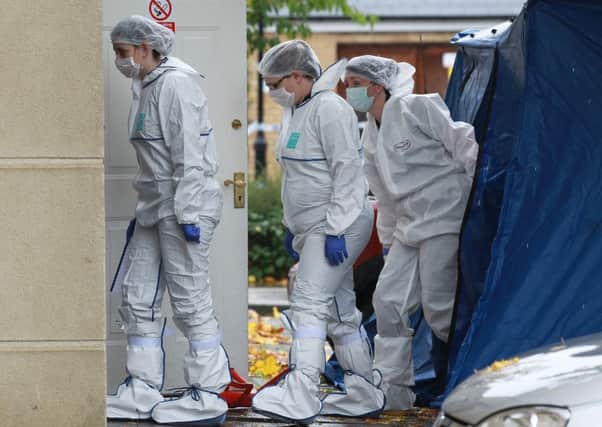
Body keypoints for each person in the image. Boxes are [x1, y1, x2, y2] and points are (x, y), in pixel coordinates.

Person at [251, 41, 385, 423]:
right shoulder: (297, 110)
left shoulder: (330, 109)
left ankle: (302, 392)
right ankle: (363, 389)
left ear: (297, 76)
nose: (270, 91)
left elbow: (347, 171)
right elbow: (300, 175)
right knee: (340, 313)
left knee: (309, 303)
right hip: (313, 226)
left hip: (336, 223)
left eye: (274, 82)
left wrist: (335, 228)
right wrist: (292, 227)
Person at [106, 15, 230, 425]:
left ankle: (208, 393)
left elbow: (189, 156)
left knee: (191, 300)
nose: (119, 60)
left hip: (183, 206)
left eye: (123, 52)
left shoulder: (175, 84)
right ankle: (142, 389)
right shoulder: (145, 84)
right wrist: (145, 211)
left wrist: (189, 212)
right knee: (137, 295)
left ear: (144, 47)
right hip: (156, 207)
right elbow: (154, 160)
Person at [343, 55, 478, 409]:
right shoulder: (370, 135)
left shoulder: (416, 107)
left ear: (377, 85)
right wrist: (388, 242)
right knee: (387, 301)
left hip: (443, 216)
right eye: (347, 84)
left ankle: (466, 383)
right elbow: (384, 197)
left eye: (355, 83)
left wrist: (477, 196)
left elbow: (463, 142)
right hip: (407, 227)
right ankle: (393, 391)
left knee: (439, 308)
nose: (349, 91)